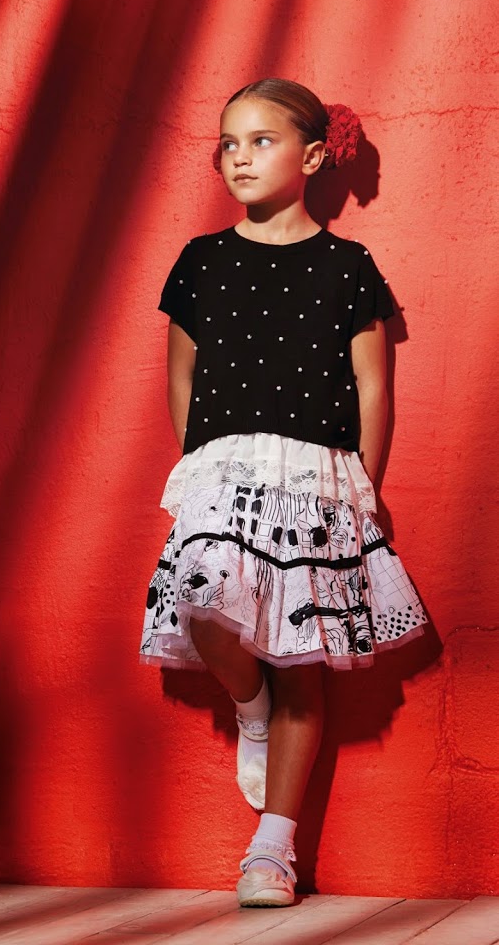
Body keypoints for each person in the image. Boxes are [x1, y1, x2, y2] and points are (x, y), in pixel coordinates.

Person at [139, 78, 428, 908]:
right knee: (200, 605)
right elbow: (182, 376)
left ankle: (272, 853)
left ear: (311, 157)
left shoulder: (348, 267)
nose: (239, 157)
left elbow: (374, 388)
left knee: (305, 663)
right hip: (225, 472)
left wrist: (361, 489)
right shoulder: (200, 260)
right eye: (228, 143)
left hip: (318, 478)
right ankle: (249, 703)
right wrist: (204, 467)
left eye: (260, 141)